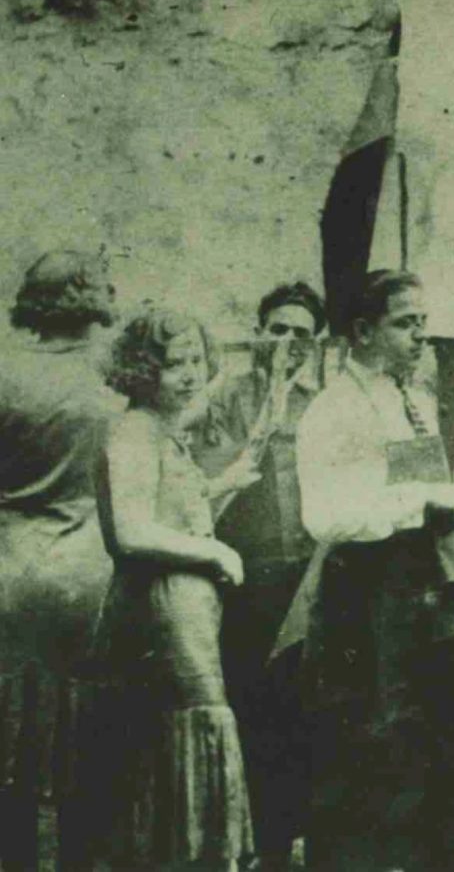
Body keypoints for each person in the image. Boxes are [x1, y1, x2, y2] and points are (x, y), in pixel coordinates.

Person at [291, 270, 454, 872]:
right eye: (405, 323)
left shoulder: (403, 397)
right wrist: (425, 503)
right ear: (362, 330)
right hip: (363, 602)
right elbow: (327, 517)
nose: (420, 337)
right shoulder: (334, 412)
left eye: (423, 323)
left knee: (434, 749)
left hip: (420, 597)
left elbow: (419, 483)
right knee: (366, 751)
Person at [92, 305, 260, 871]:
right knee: (179, 735)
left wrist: (222, 485)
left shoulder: (162, 430)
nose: (189, 374)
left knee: (174, 742)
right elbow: (131, 531)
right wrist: (215, 549)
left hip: (185, 610)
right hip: (160, 611)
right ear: (142, 369)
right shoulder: (134, 431)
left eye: (195, 360)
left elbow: (172, 509)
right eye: (172, 364)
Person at [189, 281, 326, 871]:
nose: (287, 342)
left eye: (301, 333)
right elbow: (212, 484)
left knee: (299, 710)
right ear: (258, 331)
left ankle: (284, 843)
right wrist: (266, 402)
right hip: (243, 578)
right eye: (277, 329)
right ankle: (242, 844)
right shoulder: (224, 400)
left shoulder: (322, 405)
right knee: (247, 706)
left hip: (308, 578)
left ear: (316, 343)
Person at [0, 249, 123, 871]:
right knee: (86, 756)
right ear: (85, 297)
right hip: (91, 582)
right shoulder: (111, 386)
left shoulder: (3, 375)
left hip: (11, 579)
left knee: (10, 751)